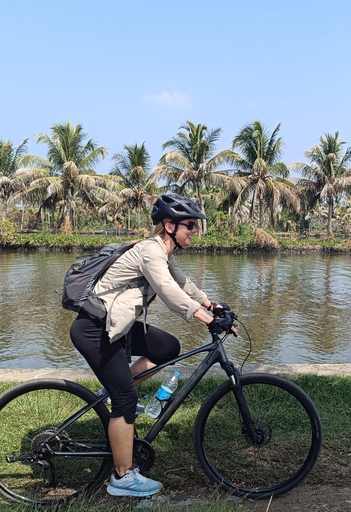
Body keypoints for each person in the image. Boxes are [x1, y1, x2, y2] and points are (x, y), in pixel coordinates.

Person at [70, 194, 233, 497]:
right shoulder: (150, 251)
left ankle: (112, 389)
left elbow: (183, 283)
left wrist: (213, 306)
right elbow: (168, 292)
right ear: (169, 225)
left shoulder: (164, 253)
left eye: (195, 226)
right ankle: (123, 478)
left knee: (167, 348)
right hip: (94, 329)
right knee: (127, 401)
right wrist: (206, 319)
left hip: (116, 327)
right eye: (189, 225)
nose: (194, 230)